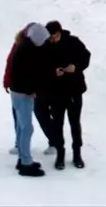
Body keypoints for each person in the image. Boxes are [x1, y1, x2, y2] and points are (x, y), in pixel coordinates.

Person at [36, 21, 91, 170]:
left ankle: (77, 154)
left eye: (54, 36)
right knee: (57, 124)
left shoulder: (73, 42)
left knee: (75, 123)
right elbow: (39, 67)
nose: (52, 40)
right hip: (55, 92)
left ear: (59, 32)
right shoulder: (45, 46)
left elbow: (86, 57)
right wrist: (52, 72)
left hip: (74, 90)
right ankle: (60, 153)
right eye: (49, 37)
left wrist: (76, 67)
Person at [6, 23, 50, 177]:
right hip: (23, 94)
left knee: (20, 125)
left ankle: (23, 158)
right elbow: (26, 76)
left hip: (18, 92)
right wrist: (32, 90)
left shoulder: (24, 47)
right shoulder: (27, 51)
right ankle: (25, 163)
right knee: (26, 128)